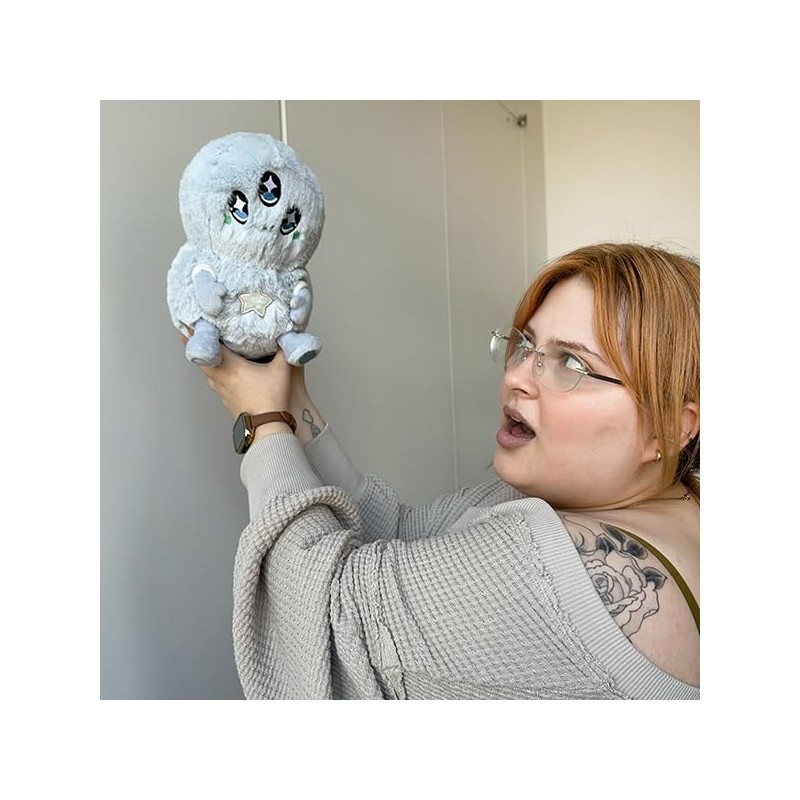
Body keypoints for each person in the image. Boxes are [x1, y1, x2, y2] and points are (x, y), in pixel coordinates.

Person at [192, 242, 700, 699]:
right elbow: (402, 533)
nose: (517, 377)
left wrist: (261, 419)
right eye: (526, 347)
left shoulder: (546, 563)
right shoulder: (672, 507)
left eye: (571, 363)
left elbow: (320, 614)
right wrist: (293, 398)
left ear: (672, 429)